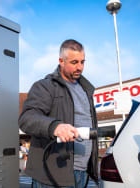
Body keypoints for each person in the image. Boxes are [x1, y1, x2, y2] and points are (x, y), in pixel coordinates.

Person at [19, 39, 98, 188]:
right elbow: (27, 118)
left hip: (82, 172)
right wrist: (54, 127)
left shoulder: (86, 90)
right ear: (61, 61)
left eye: (82, 62)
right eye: (74, 62)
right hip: (52, 174)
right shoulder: (45, 86)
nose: (80, 67)